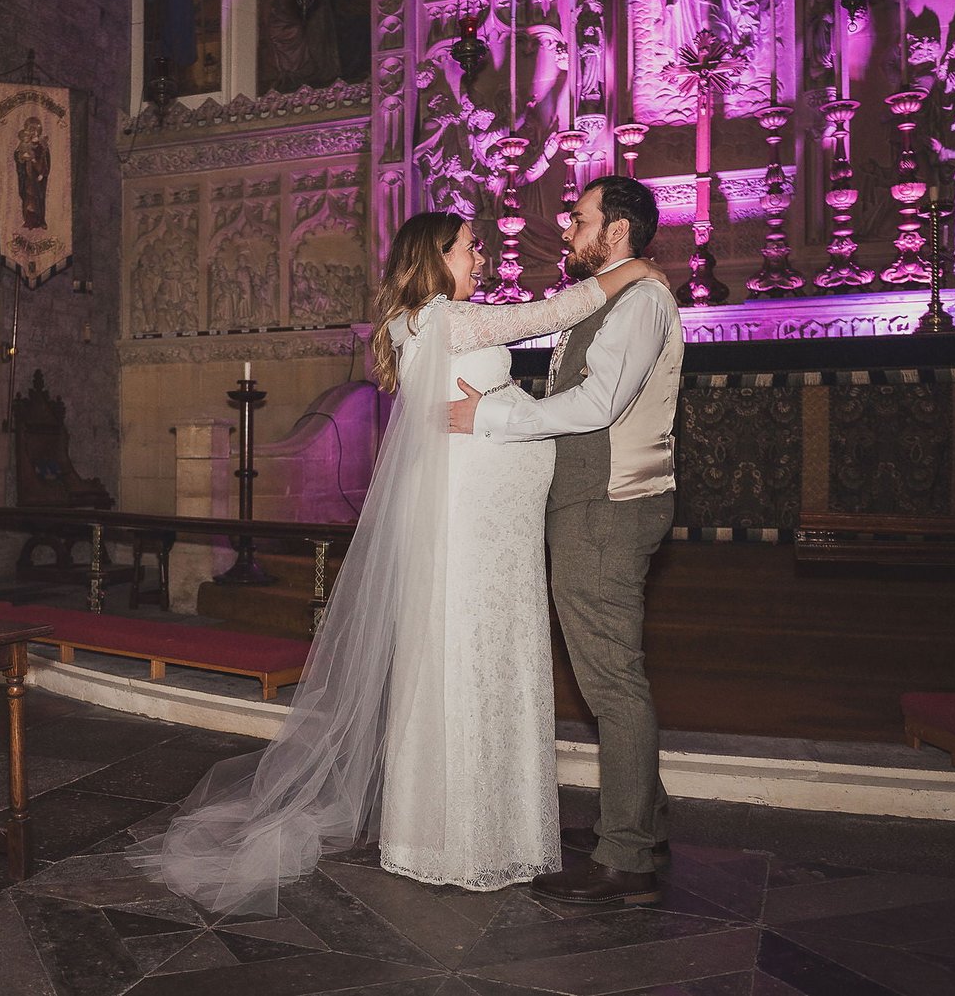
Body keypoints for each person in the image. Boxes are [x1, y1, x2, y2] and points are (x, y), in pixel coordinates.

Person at [131, 211, 664, 915]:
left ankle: (449, 829)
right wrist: (638, 270)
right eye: (472, 246)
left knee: (471, 658)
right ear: (437, 256)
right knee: (470, 660)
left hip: (490, 524)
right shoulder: (446, 320)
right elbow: (557, 309)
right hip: (476, 524)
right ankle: (471, 837)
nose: (484, 255)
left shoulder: (414, 324)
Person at [449, 175, 682, 907]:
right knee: (610, 673)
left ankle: (626, 857)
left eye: (579, 218)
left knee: (612, 678)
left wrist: (490, 416)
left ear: (616, 230)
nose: (568, 229)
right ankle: (641, 822)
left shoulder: (641, 301)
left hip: (607, 505)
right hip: (589, 503)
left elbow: (598, 403)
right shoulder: (614, 294)